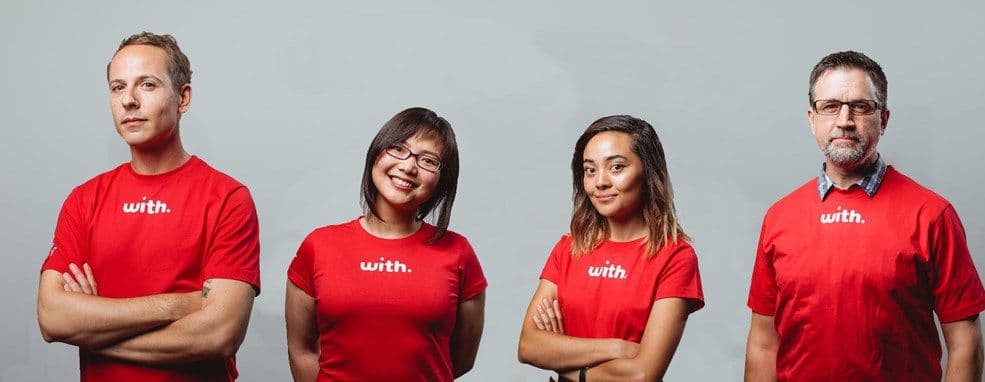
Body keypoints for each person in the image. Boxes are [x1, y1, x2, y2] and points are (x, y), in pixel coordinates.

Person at [745, 51, 985, 381]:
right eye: (830, 106)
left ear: (883, 119)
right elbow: (763, 343)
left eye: (860, 107)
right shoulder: (779, 217)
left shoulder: (932, 215)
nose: (844, 120)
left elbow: (965, 343)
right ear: (811, 118)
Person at [36, 32, 260, 381]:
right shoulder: (84, 199)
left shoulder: (228, 198)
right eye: (117, 87)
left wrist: (91, 329)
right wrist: (178, 304)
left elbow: (220, 333)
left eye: (148, 85)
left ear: (183, 98)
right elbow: (52, 318)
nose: (128, 100)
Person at [285, 107, 487, 381]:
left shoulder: (458, 252)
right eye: (398, 148)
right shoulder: (319, 246)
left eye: (428, 160)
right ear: (376, 153)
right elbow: (302, 349)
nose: (408, 166)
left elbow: (459, 360)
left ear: (442, 179)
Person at [518, 115, 704, 381]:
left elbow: (642, 374)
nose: (600, 181)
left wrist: (567, 363)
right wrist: (618, 348)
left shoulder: (675, 257)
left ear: (648, 172)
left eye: (616, 167)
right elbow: (529, 346)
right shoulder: (569, 247)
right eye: (590, 170)